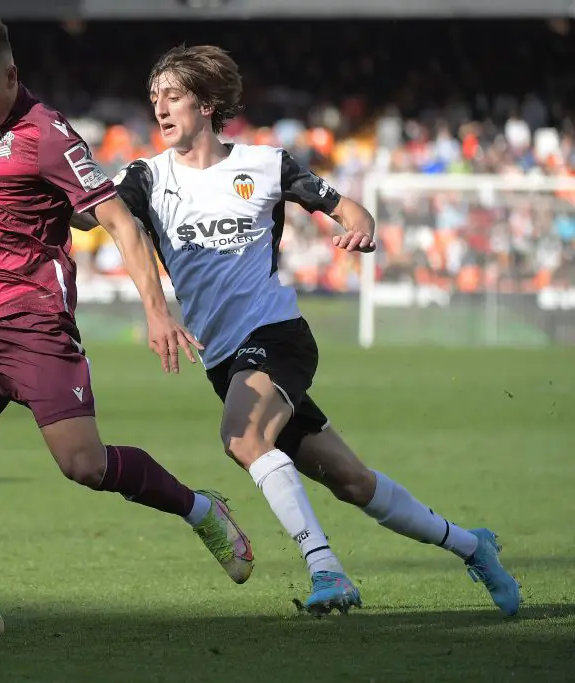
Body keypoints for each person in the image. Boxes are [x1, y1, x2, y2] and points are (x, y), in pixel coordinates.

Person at [73, 44, 521, 617]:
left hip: (277, 335)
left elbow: (347, 209)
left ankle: (327, 571)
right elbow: (89, 215)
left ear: (207, 104)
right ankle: (471, 544)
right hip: (225, 361)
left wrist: (359, 226)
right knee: (353, 483)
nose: (160, 108)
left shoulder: (265, 164)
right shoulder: (144, 178)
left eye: (174, 96)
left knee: (242, 438)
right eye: (154, 98)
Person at [0, 16, 255, 636]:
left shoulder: (48, 137)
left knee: (83, 466)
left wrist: (156, 311)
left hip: (33, 326)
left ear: (11, 75)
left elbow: (119, 223)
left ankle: (200, 508)